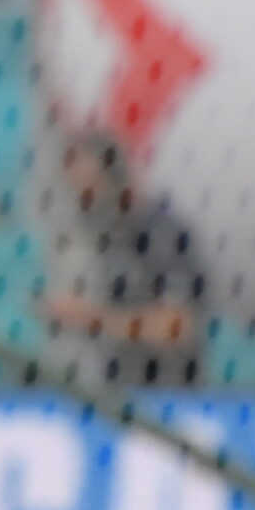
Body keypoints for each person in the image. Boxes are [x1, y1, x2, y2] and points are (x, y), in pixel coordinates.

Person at [41, 131, 206, 387]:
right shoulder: (100, 237)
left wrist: (88, 317)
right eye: (77, 190)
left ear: (114, 178)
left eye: (91, 186)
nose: (85, 200)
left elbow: (176, 328)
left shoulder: (161, 234)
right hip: (116, 389)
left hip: (169, 391)